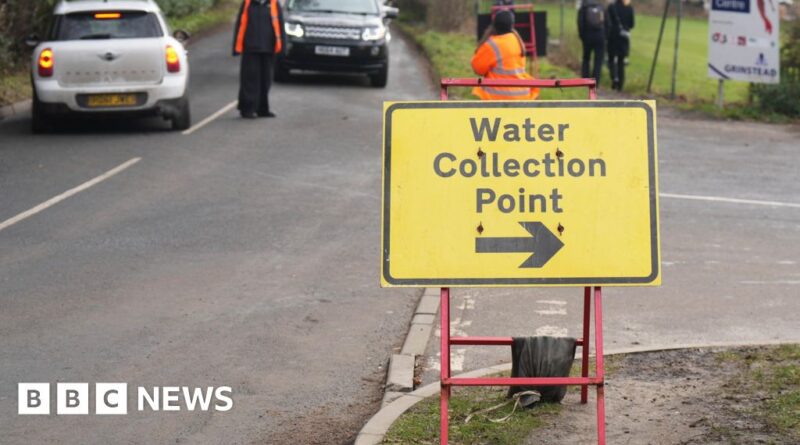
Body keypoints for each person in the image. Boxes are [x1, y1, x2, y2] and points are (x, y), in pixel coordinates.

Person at [471, 10, 539, 101]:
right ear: (512, 25)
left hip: (497, 97)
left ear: (494, 25)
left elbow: (477, 69)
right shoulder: (516, 40)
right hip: (523, 95)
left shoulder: (491, 44)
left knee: (481, 87)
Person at [232, 0, 283, 119]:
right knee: (250, 80)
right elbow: (240, 24)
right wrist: (236, 47)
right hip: (250, 48)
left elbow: (279, 25)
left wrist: (282, 47)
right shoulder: (248, 3)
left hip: (268, 48)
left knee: (266, 80)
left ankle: (262, 109)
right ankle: (247, 109)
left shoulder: (274, 4)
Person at [577, 0, 608, 83]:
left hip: (587, 36)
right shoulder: (601, 7)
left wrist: (582, 36)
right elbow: (607, 23)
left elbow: (580, 23)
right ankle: (595, 82)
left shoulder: (584, 7)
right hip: (600, 36)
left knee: (586, 58)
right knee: (598, 60)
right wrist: (605, 36)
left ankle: (584, 80)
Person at [607, 0, 634, 91]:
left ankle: (614, 77)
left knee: (611, 59)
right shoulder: (629, 7)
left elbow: (607, 21)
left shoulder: (612, 7)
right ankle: (620, 85)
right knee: (621, 61)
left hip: (613, 36)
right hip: (624, 37)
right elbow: (632, 24)